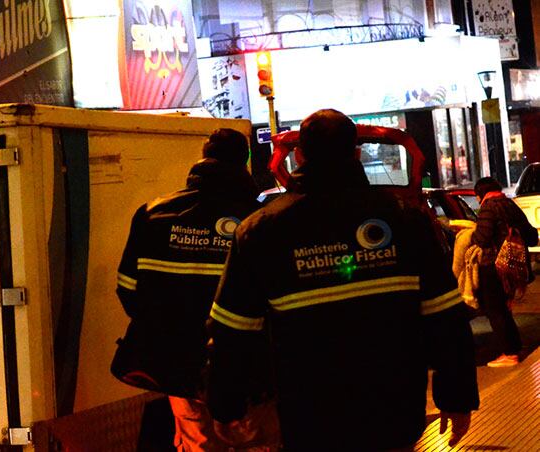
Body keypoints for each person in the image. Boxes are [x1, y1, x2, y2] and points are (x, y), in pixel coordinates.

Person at [206, 109, 479, 451]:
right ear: (357, 154)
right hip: (394, 410)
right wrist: (456, 396)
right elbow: (445, 316)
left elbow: (232, 331)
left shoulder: (261, 231)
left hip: (306, 416)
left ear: (299, 156)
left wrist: (226, 405)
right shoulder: (406, 220)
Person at [114, 129, 273, 451]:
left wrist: (169, 329)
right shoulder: (259, 221)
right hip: (245, 367)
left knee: (197, 444)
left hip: (177, 366)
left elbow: (128, 289)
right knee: (253, 442)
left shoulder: (154, 213)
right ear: (244, 161)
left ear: (202, 157)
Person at [471, 177, 538, 367]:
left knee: (495, 310)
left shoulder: (488, 207)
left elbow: (482, 239)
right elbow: (531, 235)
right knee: (504, 308)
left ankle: (509, 353)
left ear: (480, 194)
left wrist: (471, 234)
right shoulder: (509, 204)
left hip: (493, 266)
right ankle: (515, 347)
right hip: (512, 266)